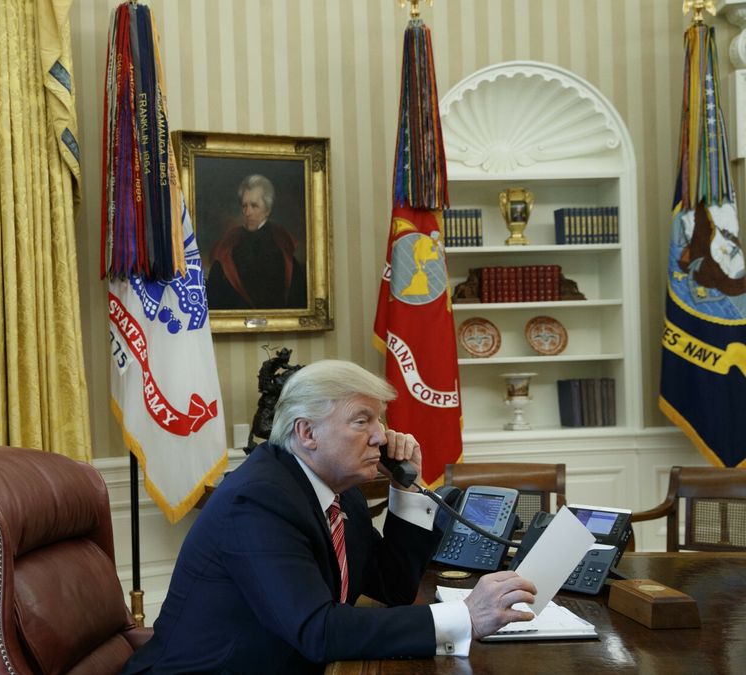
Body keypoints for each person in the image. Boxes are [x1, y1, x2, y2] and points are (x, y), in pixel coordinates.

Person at [121, 360, 537, 673]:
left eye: (379, 420)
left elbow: (391, 587)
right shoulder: (257, 501)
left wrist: (406, 489)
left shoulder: (339, 491)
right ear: (307, 433)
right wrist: (464, 617)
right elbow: (317, 630)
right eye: (362, 421)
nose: (381, 436)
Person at [206, 174, 307, 310]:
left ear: (267, 210)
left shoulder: (281, 245)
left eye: (254, 206)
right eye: (244, 206)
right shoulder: (229, 243)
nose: (247, 212)